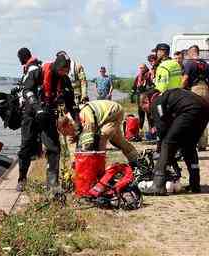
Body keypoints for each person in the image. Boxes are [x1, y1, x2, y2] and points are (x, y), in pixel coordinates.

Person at [17, 48, 79, 193]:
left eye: (67, 70)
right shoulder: (37, 72)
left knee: (53, 148)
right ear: (57, 66)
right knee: (26, 146)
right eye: (63, 70)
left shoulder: (65, 80)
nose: (65, 73)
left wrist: (77, 120)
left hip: (48, 115)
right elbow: (27, 90)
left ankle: (52, 183)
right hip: (31, 114)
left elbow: (70, 103)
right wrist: (37, 106)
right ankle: (22, 179)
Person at [139, 88, 209, 195]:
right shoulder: (167, 98)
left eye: (144, 109)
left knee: (167, 143)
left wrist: (160, 150)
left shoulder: (156, 102)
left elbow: (162, 130)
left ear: (146, 101)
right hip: (204, 108)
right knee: (189, 145)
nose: (147, 112)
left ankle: (158, 185)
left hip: (190, 109)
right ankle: (195, 184)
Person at [58, 100, 139, 166]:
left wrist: (81, 162)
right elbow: (71, 144)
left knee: (102, 138)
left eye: (67, 133)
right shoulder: (69, 118)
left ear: (69, 125)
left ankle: (99, 168)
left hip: (114, 112)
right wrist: (73, 161)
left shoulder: (85, 117)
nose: (68, 135)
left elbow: (88, 144)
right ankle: (136, 159)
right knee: (119, 141)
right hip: (102, 117)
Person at [182, 45, 209, 151]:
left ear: (191, 52)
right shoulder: (205, 64)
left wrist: (179, 90)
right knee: (204, 117)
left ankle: (193, 142)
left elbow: (185, 78)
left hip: (195, 90)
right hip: (206, 90)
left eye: (188, 53)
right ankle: (202, 144)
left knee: (194, 117)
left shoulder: (190, 63)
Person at [131, 63, 153, 130]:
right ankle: (140, 130)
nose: (141, 69)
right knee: (141, 115)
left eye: (142, 68)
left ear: (146, 68)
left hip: (148, 98)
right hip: (140, 98)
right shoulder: (138, 76)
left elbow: (153, 85)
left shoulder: (150, 75)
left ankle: (151, 131)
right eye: (140, 68)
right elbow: (134, 87)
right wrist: (132, 96)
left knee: (150, 116)